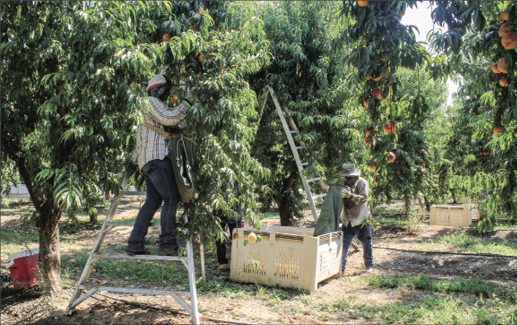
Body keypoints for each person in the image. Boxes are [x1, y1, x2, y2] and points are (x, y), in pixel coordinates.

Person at [126, 74, 197, 256]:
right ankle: (167, 244)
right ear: (158, 89)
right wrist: (187, 102)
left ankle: (135, 242)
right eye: (166, 90)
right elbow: (171, 117)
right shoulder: (151, 101)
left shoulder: (146, 104)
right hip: (157, 158)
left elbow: (165, 124)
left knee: (152, 201)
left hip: (148, 160)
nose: (167, 94)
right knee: (171, 199)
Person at [340, 163, 373, 274]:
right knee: (343, 245)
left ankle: (368, 265)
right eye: (347, 177)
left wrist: (351, 196)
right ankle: (341, 268)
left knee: (366, 242)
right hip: (348, 220)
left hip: (361, 218)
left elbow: (363, 198)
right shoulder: (343, 184)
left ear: (355, 175)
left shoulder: (362, 183)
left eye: (350, 177)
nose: (348, 179)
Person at [214, 179, 242, 272]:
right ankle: (223, 263)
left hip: (234, 211)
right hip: (219, 211)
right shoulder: (218, 174)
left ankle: (237, 262)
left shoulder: (238, 176)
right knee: (219, 238)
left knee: (237, 238)